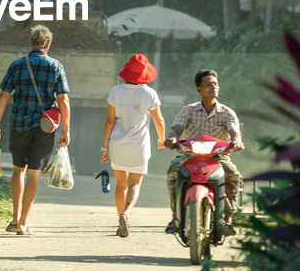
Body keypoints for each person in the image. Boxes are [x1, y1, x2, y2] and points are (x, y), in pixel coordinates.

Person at [0, 24, 70, 236]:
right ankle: (23, 222)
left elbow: (3, 96)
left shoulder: (17, 65)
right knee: (34, 173)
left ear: (32, 43)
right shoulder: (55, 66)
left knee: (18, 170)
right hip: (44, 127)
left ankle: (14, 218)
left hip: (19, 124)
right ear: (48, 44)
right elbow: (63, 99)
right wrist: (66, 130)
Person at [162, 68, 243, 235]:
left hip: (218, 157)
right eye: (208, 84)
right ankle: (176, 215)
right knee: (173, 171)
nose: (213, 87)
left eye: (215, 84)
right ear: (198, 89)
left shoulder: (227, 113)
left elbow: (235, 131)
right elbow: (177, 129)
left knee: (233, 175)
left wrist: (237, 141)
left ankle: (228, 219)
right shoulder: (188, 110)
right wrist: (172, 139)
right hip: (190, 156)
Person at [100, 53, 166, 238]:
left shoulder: (115, 92)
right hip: (139, 146)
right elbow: (159, 120)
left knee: (121, 184)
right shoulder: (149, 94)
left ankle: (120, 221)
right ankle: (126, 214)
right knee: (135, 183)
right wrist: (162, 139)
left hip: (118, 144)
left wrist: (104, 147)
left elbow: (109, 121)